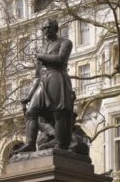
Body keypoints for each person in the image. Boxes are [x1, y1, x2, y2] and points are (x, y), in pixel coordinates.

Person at [14, 18, 76, 154]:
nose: (46, 30)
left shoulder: (65, 42)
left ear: (55, 29)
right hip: (42, 80)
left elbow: (60, 59)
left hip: (57, 77)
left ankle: (60, 145)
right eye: (44, 28)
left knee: (58, 113)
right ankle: (30, 143)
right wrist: (29, 96)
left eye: (49, 27)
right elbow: (37, 75)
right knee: (31, 112)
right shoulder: (43, 49)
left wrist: (40, 56)